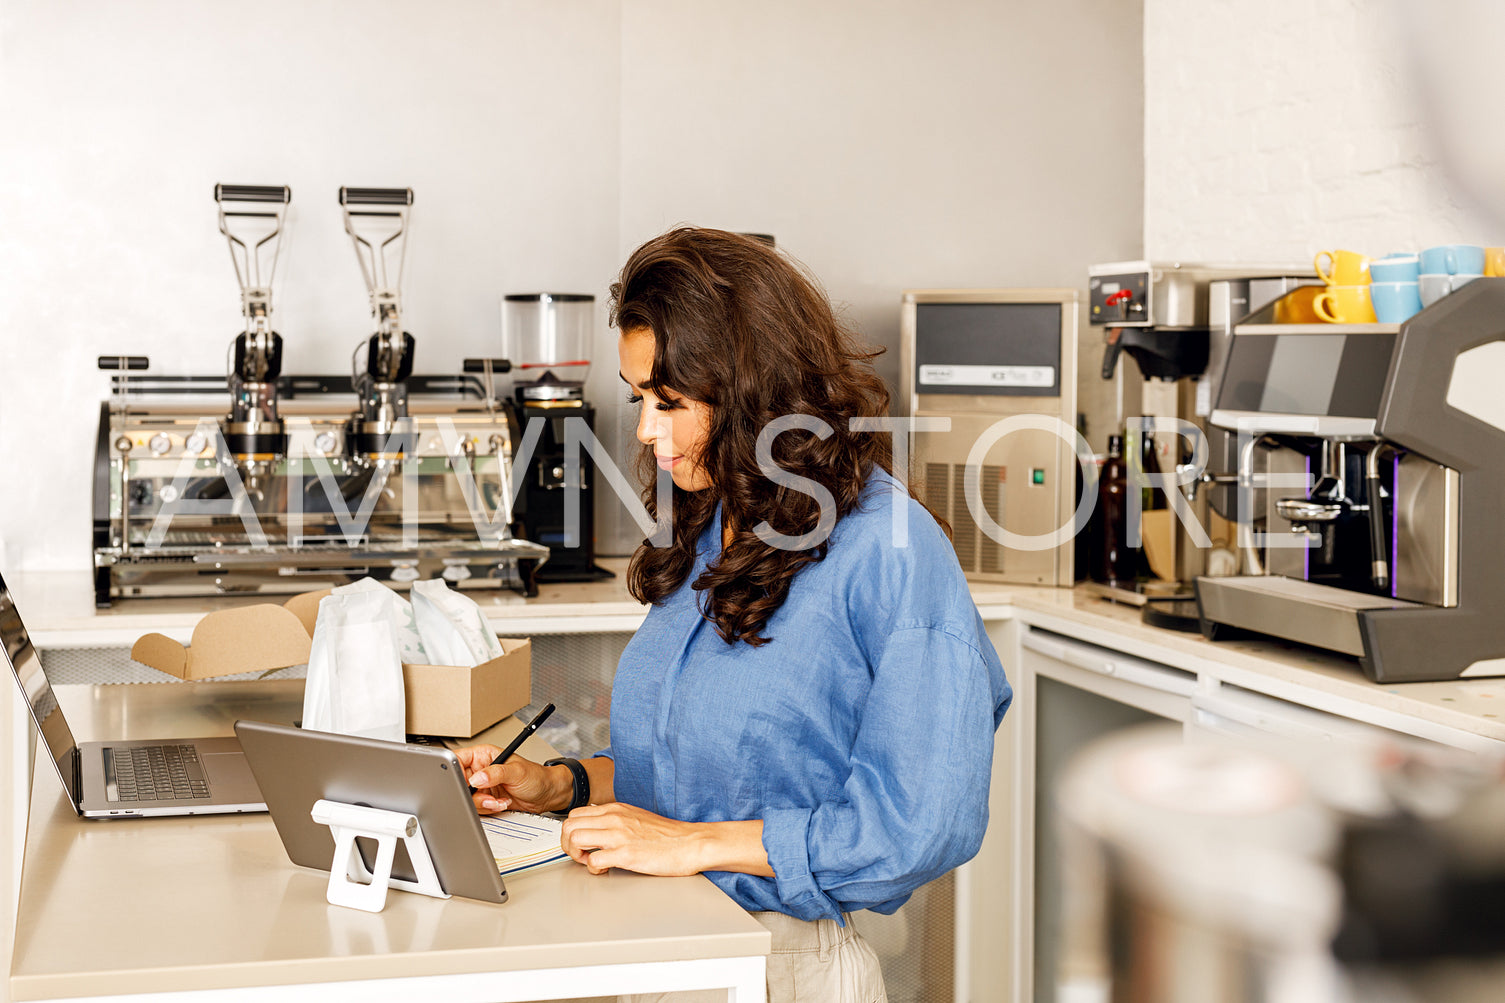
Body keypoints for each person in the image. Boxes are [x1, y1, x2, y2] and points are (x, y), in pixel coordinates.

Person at [457, 227, 1012, 1003]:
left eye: (670, 402)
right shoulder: (711, 521)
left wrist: (690, 845)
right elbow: (700, 777)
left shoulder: (888, 550)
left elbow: (920, 823)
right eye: (640, 398)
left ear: (755, 392)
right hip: (661, 947)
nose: (646, 430)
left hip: (783, 969)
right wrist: (560, 787)